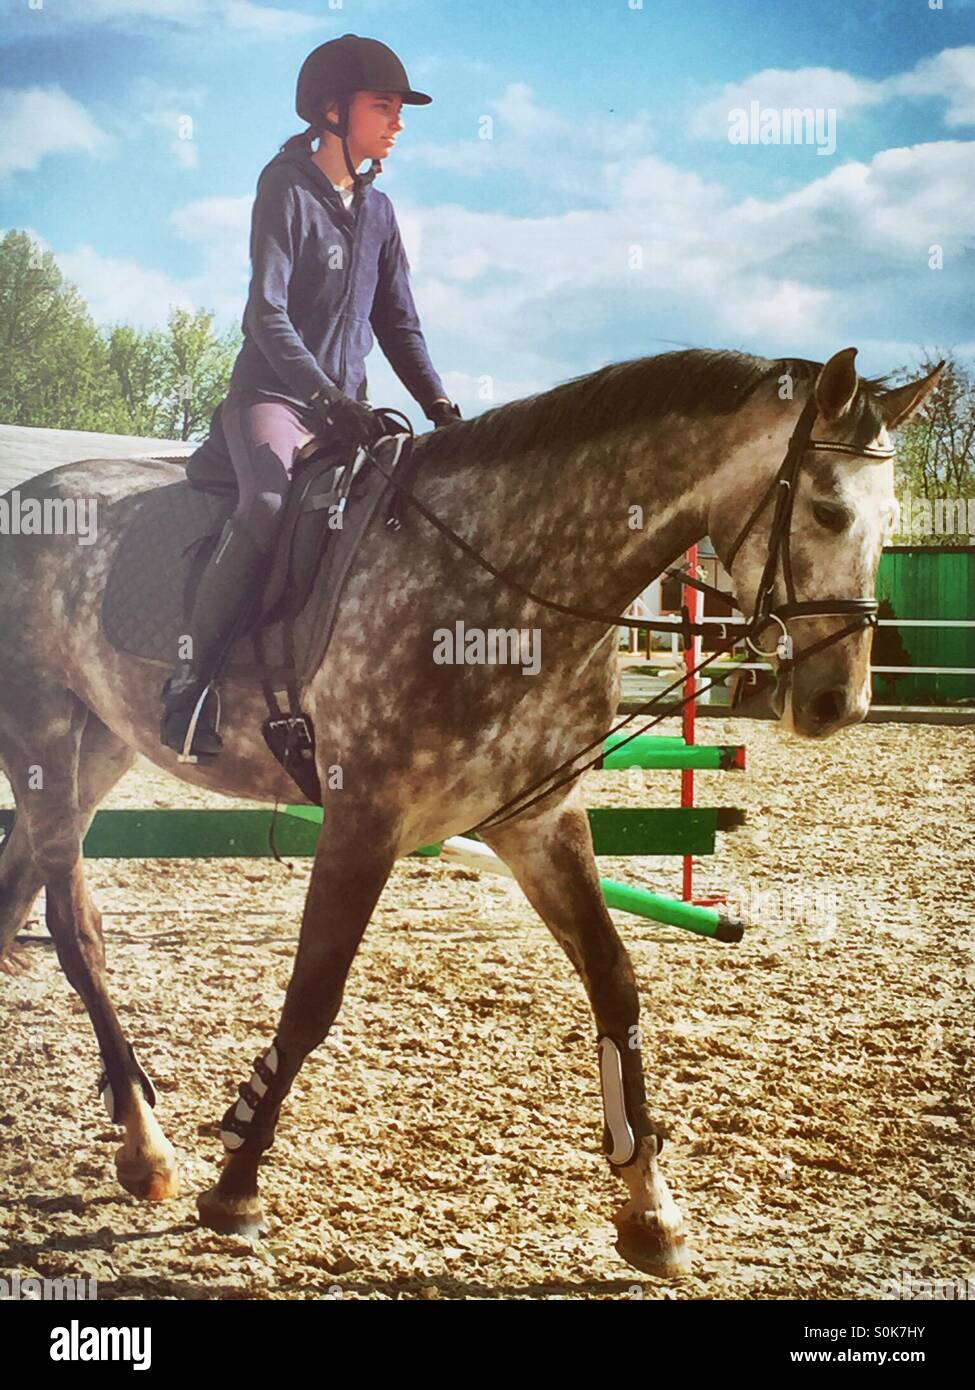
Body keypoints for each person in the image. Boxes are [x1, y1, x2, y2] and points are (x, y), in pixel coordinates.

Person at [160, 32, 460, 760]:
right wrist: (325, 395)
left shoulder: (379, 212)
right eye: (383, 106)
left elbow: (398, 324)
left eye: (399, 110)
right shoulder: (285, 185)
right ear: (333, 110)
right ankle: (190, 688)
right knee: (266, 506)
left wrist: (443, 412)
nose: (398, 122)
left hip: (343, 411)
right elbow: (263, 316)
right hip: (274, 398)